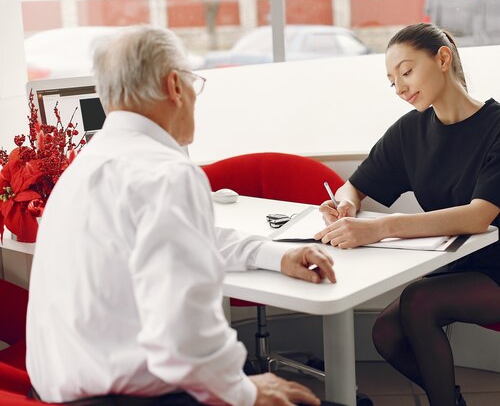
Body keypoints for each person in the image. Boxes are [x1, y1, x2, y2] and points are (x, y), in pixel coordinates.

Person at [26, 25, 340, 406]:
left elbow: (185, 240)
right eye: (194, 82)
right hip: (130, 397)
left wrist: (276, 255)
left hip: (60, 391)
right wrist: (246, 391)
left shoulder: (85, 168)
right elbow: (182, 337)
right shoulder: (166, 173)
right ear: (175, 86)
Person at [315, 23, 500, 406]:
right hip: (458, 262)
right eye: (391, 81)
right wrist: (346, 202)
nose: (400, 88)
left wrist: (382, 228)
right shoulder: (409, 132)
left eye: (406, 71)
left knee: (419, 300)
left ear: (443, 59)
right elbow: (356, 184)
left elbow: (478, 217)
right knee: (384, 332)